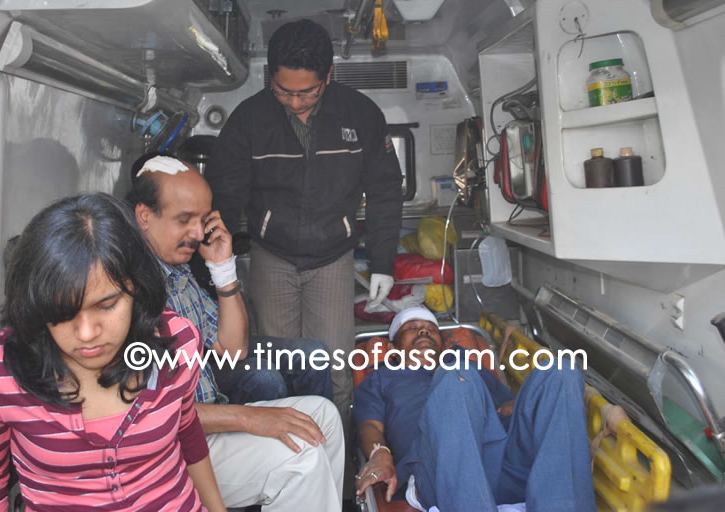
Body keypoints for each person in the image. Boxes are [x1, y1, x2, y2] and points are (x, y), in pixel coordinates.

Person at [0, 193, 226, 511]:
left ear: (137, 289)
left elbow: (187, 430)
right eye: (62, 312)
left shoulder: (178, 343)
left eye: (107, 305)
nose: (86, 334)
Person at [206, 18, 404, 422]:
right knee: (277, 369)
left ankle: (337, 455)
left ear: (328, 75)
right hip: (271, 255)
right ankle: (285, 456)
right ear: (270, 76)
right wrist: (210, 267)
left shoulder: (361, 114)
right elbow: (224, 197)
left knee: (334, 369)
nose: (295, 102)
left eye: (307, 92)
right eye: (283, 91)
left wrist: (383, 262)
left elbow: (385, 190)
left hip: (333, 257)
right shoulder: (249, 119)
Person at [127, 154, 345, 510]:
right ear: (145, 216)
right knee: (301, 457)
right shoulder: (128, 292)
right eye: (184, 220)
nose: (197, 234)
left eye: (202, 220)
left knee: (324, 417)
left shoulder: (177, 272)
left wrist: (223, 268)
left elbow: (233, 349)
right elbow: (149, 413)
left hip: (205, 425)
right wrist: (248, 417)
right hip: (169, 451)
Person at [354, 306, 595, 512]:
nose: (424, 331)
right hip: (440, 471)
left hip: (502, 463)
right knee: (455, 376)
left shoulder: (468, 366)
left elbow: (507, 407)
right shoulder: (381, 379)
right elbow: (369, 425)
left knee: (561, 371)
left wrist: (530, 406)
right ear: (393, 348)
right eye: (412, 328)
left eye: (431, 329)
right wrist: (380, 453)